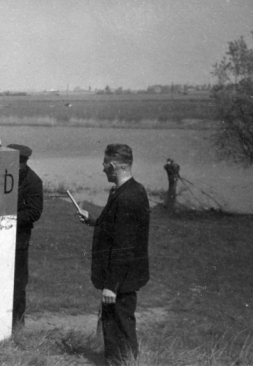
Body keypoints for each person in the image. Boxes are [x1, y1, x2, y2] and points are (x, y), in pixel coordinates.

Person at [76, 144, 150, 366]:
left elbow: (124, 246)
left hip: (121, 279)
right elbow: (116, 229)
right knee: (114, 325)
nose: (102, 170)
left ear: (113, 166)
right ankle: (116, 362)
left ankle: (122, 363)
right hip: (123, 277)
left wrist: (111, 284)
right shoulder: (127, 190)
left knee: (120, 326)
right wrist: (93, 220)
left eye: (104, 165)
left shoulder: (128, 197)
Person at [0, 144, 43, 329]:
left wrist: (8, 220)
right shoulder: (0, 173)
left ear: (23, 163)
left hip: (18, 240)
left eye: (17, 164)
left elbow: (35, 212)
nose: (13, 167)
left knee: (17, 285)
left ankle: (17, 326)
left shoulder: (34, 181)